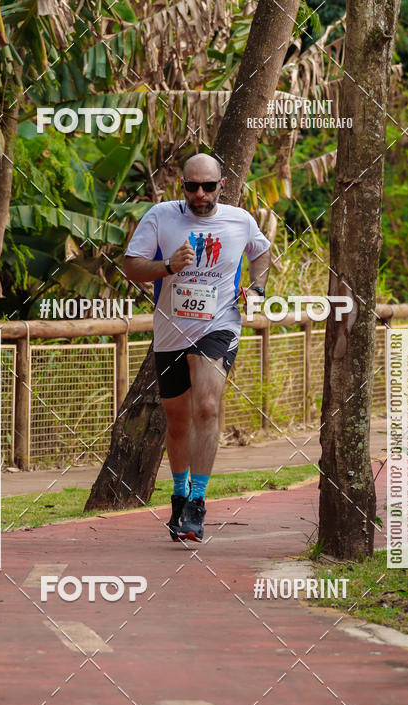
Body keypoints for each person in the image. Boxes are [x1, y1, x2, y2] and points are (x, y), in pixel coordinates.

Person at [124, 153, 271, 542]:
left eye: (208, 186)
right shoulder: (161, 216)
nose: (200, 193)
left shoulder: (239, 220)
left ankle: (198, 502)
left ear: (222, 185)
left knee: (206, 405)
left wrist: (257, 288)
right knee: (177, 419)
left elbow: (262, 252)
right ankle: (179, 491)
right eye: (192, 186)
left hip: (219, 324)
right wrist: (168, 267)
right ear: (182, 186)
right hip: (171, 330)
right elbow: (132, 267)